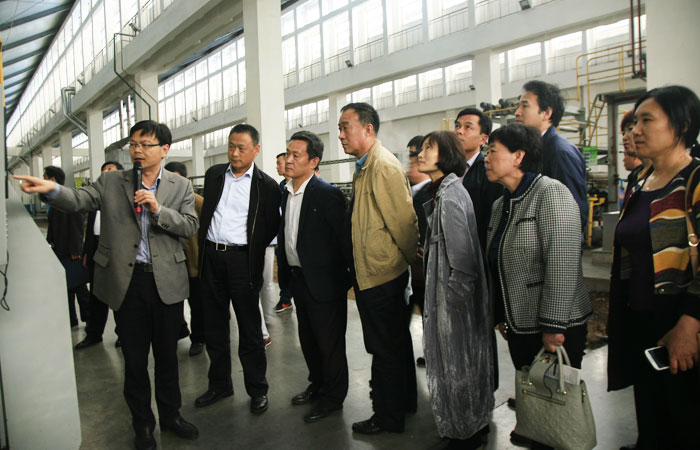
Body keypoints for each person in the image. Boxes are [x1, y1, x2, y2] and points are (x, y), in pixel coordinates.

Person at [15, 120, 200, 450]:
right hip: (126, 282)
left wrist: (158, 209)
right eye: (133, 144)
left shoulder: (180, 185)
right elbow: (79, 199)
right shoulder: (112, 181)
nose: (137, 150)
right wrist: (51, 190)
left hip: (166, 282)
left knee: (168, 358)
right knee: (134, 361)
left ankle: (172, 416)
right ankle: (143, 425)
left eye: (145, 144)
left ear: (164, 149)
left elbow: (188, 226)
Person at [484, 122, 592, 448]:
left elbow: (563, 263)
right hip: (520, 323)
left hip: (556, 326)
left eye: (492, 151)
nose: (487, 158)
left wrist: (553, 326)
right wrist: (501, 314)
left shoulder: (551, 193)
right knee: (536, 404)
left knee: (558, 405)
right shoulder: (501, 204)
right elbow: (498, 261)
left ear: (518, 156)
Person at [607, 85, 700, 450]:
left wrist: (689, 324)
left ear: (682, 124)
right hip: (640, 319)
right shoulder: (641, 182)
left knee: (684, 419)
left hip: (679, 322)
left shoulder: (694, 181)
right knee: (650, 414)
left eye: (647, 120)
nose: (635, 131)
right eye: (635, 123)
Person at [339, 102, 419, 434]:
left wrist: (405, 264)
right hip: (375, 273)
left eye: (345, 127)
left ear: (368, 129)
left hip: (382, 276)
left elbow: (404, 224)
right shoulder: (364, 166)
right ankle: (404, 402)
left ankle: (387, 417)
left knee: (384, 350)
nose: (340, 135)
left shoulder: (382, 166)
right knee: (394, 345)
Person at [196, 123, 281, 415]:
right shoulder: (214, 175)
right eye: (231, 146)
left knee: (250, 329)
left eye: (241, 148)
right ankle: (220, 384)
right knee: (214, 326)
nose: (234, 153)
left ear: (255, 149)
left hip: (242, 262)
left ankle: (257, 390)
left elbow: (271, 226)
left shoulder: (266, 186)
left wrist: (251, 249)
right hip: (211, 258)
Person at [417, 131, 494, 450]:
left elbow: (462, 262)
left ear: (446, 155)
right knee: (463, 364)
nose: (421, 154)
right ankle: (471, 426)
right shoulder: (444, 191)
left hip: (453, 303)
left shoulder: (449, 195)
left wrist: (452, 304)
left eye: (429, 148)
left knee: (457, 364)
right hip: (450, 299)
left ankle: (466, 433)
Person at [277, 131, 350, 423]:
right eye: (287, 153)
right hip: (298, 279)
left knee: (329, 343)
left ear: (313, 161)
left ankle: (333, 398)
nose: (288, 160)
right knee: (308, 339)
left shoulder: (327, 194)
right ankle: (317, 385)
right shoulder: (286, 192)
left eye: (296, 155)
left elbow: (344, 242)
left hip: (325, 284)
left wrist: (342, 283)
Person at [515, 80, 588, 229]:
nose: (517, 112)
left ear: (547, 113)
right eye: (518, 106)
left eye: (525, 106)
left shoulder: (560, 152)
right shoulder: (535, 148)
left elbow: (574, 214)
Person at [75, 160, 124, 350]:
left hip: (118, 249)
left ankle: (123, 335)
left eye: (110, 169)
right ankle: (94, 334)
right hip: (97, 248)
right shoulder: (97, 197)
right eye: (103, 170)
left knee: (120, 294)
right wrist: (87, 253)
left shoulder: (125, 197)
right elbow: (88, 230)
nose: (106, 172)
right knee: (97, 294)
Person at [163, 161, 206, 357]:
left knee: (197, 303)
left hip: (193, 261)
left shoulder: (198, 202)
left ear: (186, 180)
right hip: (169, 262)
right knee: (171, 301)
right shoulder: (161, 202)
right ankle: (179, 329)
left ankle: (198, 338)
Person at [43, 165, 89, 328]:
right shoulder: (53, 200)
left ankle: (89, 319)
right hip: (60, 250)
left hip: (71, 252)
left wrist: (76, 251)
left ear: (52, 179)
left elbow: (77, 226)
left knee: (79, 287)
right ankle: (71, 319)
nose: (43, 180)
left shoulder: (68, 198)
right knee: (67, 288)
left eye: (44, 177)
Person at [454, 107, 503, 253]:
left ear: (483, 139)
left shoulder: (488, 173)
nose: (459, 131)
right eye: (457, 126)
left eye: (468, 127)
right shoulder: (447, 170)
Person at [406, 135, 430, 368]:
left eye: (414, 158)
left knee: (428, 315)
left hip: (423, 270)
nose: (411, 164)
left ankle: (432, 352)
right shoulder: (409, 190)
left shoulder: (430, 193)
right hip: (409, 270)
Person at [274, 151, 294, 313]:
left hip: (295, 236)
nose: (277, 167)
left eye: (279, 163)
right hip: (282, 236)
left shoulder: (297, 186)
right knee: (283, 268)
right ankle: (285, 298)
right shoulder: (280, 187)